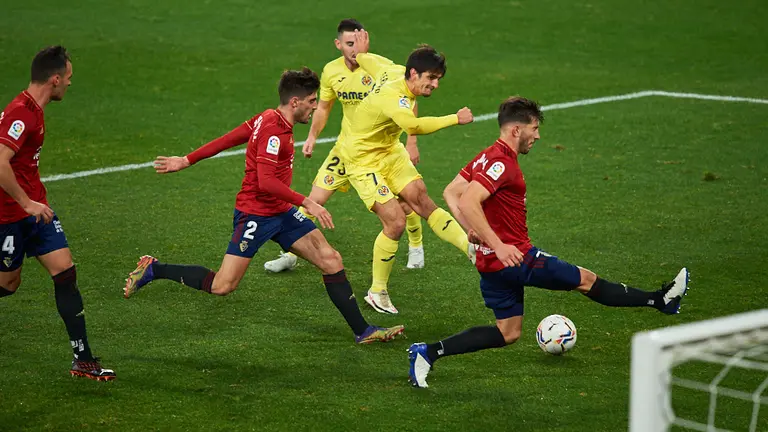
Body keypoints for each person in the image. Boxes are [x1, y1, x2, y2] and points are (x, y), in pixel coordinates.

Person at [407, 96, 690, 388]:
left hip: (491, 264)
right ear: (516, 130)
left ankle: (428, 352)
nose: (538, 136)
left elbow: (451, 191)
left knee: (508, 332)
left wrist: (473, 231)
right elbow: (467, 200)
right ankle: (661, 300)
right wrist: (498, 244)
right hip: (517, 258)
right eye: (534, 128)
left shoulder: (485, 156)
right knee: (586, 281)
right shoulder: (501, 163)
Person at [124, 68, 404, 344]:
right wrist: (308, 202)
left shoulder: (267, 117)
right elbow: (265, 182)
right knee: (223, 285)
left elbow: (230, 138)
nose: (315, 106)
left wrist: (187, 159)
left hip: (281, 211)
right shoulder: (273, 131)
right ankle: (154, 269)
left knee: (331, 260)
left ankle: (363, 331)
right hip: (255, 215)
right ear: (295, 102)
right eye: (311, 101)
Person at [264, 19, 428, 274]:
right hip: (346, 149)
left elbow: (408, 102)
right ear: (338, 44)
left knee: (404, 202)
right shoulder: (331, 71)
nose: (354, 49)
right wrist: (312, 137)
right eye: (349, 44)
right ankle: (290, 254)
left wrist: (412, 141)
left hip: (380, 151)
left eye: (358, 43)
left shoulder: (380, 68)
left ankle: (416, 246)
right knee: (313, 200)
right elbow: (323, 107)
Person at [338, 29, 475, 314]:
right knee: (395, 221)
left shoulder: (393, 70)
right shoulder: (393, 95)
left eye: (438, 79)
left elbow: (369, 61)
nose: (435, 85)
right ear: (413, 73)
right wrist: (455, 118)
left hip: (390, 151)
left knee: (422, 199)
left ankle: (470, 250)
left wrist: (359, 53)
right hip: (362, 160)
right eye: (431, 78)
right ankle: (377, 291)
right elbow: (413, 126)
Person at [0, 46, 115, 381]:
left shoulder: (34, 110)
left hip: (38, 211)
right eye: (68, 77)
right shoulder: (21, 114)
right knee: (8, 284)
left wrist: (33, 203)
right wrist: (26, 203)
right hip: (10, 216)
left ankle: (84, 360)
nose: (69, 83)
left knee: (65, 272)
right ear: (54, 79)